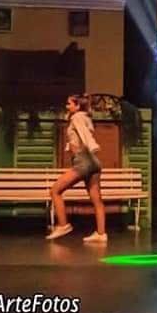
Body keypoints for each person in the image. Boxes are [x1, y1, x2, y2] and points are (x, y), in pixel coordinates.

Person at [47, 94, 107, 242]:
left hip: (83, 161)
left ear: (77, 106)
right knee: (96, 199)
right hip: (93, 162)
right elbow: (78, 136)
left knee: (55, 191)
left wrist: (93, 146)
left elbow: (85, 134)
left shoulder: (77, 117)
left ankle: (63, 225)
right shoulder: (85, 117)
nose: (67, 106)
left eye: (69, 104)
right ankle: (101, 233)